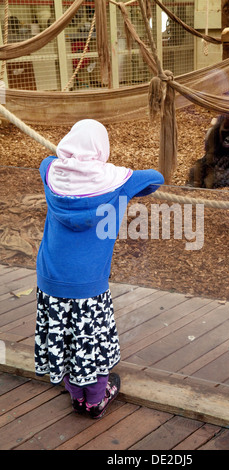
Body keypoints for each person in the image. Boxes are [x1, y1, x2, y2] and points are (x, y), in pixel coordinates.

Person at [35, 119, 164, 419]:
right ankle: (94, 400)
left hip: (51, 278)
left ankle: (75, 394)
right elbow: (155, 179)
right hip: (88, 285)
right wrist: (122, 187)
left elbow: (49, 160)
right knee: (90, 338)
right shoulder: (117, 181)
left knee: (63, 335)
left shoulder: (50, 171)